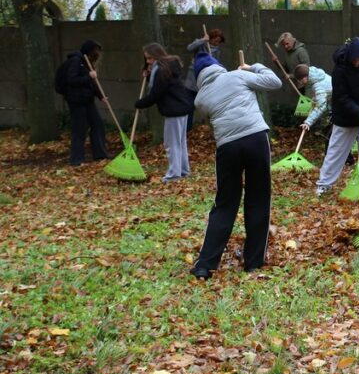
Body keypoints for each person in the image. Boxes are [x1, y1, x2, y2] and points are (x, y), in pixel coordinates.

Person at [189, 52, 282, 280]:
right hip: (255, 138)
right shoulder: (238, 76)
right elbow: (274, 82)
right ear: (217, 66)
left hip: (227, 147)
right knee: (258, 197)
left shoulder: (200, 99)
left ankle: (205, 265)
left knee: (224, 203)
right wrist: (253, 67)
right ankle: (253, 262)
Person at [316, 38, 359, 196]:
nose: (357, 62)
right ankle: (324, 184)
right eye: (355, 59)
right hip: (345, 119)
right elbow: (341, 98)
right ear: (350, 56)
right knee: (336, 151)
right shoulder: (340, 70)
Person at [134, 43, 194, 182]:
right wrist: (149, 76)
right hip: (182, 107)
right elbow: (161, 87)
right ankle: (183, 170)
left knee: (171, 143)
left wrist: (139, 104)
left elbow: (156, 94)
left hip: (174, 109)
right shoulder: (168, 67)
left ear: (157, 55)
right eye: (146, 59)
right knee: (180, 142)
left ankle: (174, 175)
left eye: (150, 58)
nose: (148, 61)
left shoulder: (161, 71)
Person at [60, 39, 110, 165]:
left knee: (97, 124)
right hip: (76, 100)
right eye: (96, 51)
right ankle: (76, 159)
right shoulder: (76, 61)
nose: (97, 54)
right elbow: (72, 80)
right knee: (80, 128)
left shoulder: (86, 63)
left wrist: (100, 96)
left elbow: (91, 84)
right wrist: (89, 76)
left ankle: (100, 154)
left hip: (87, 99)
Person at [293, 63, 332, 142]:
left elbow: (321, 106)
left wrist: (308, 122)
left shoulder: (318, 85)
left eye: (300, 80)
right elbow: (323, 95)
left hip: (340, 108)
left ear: (304, 78)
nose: (300, 83)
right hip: (336, 105)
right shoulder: (319, 76)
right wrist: (313, 101)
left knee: (332, 138)